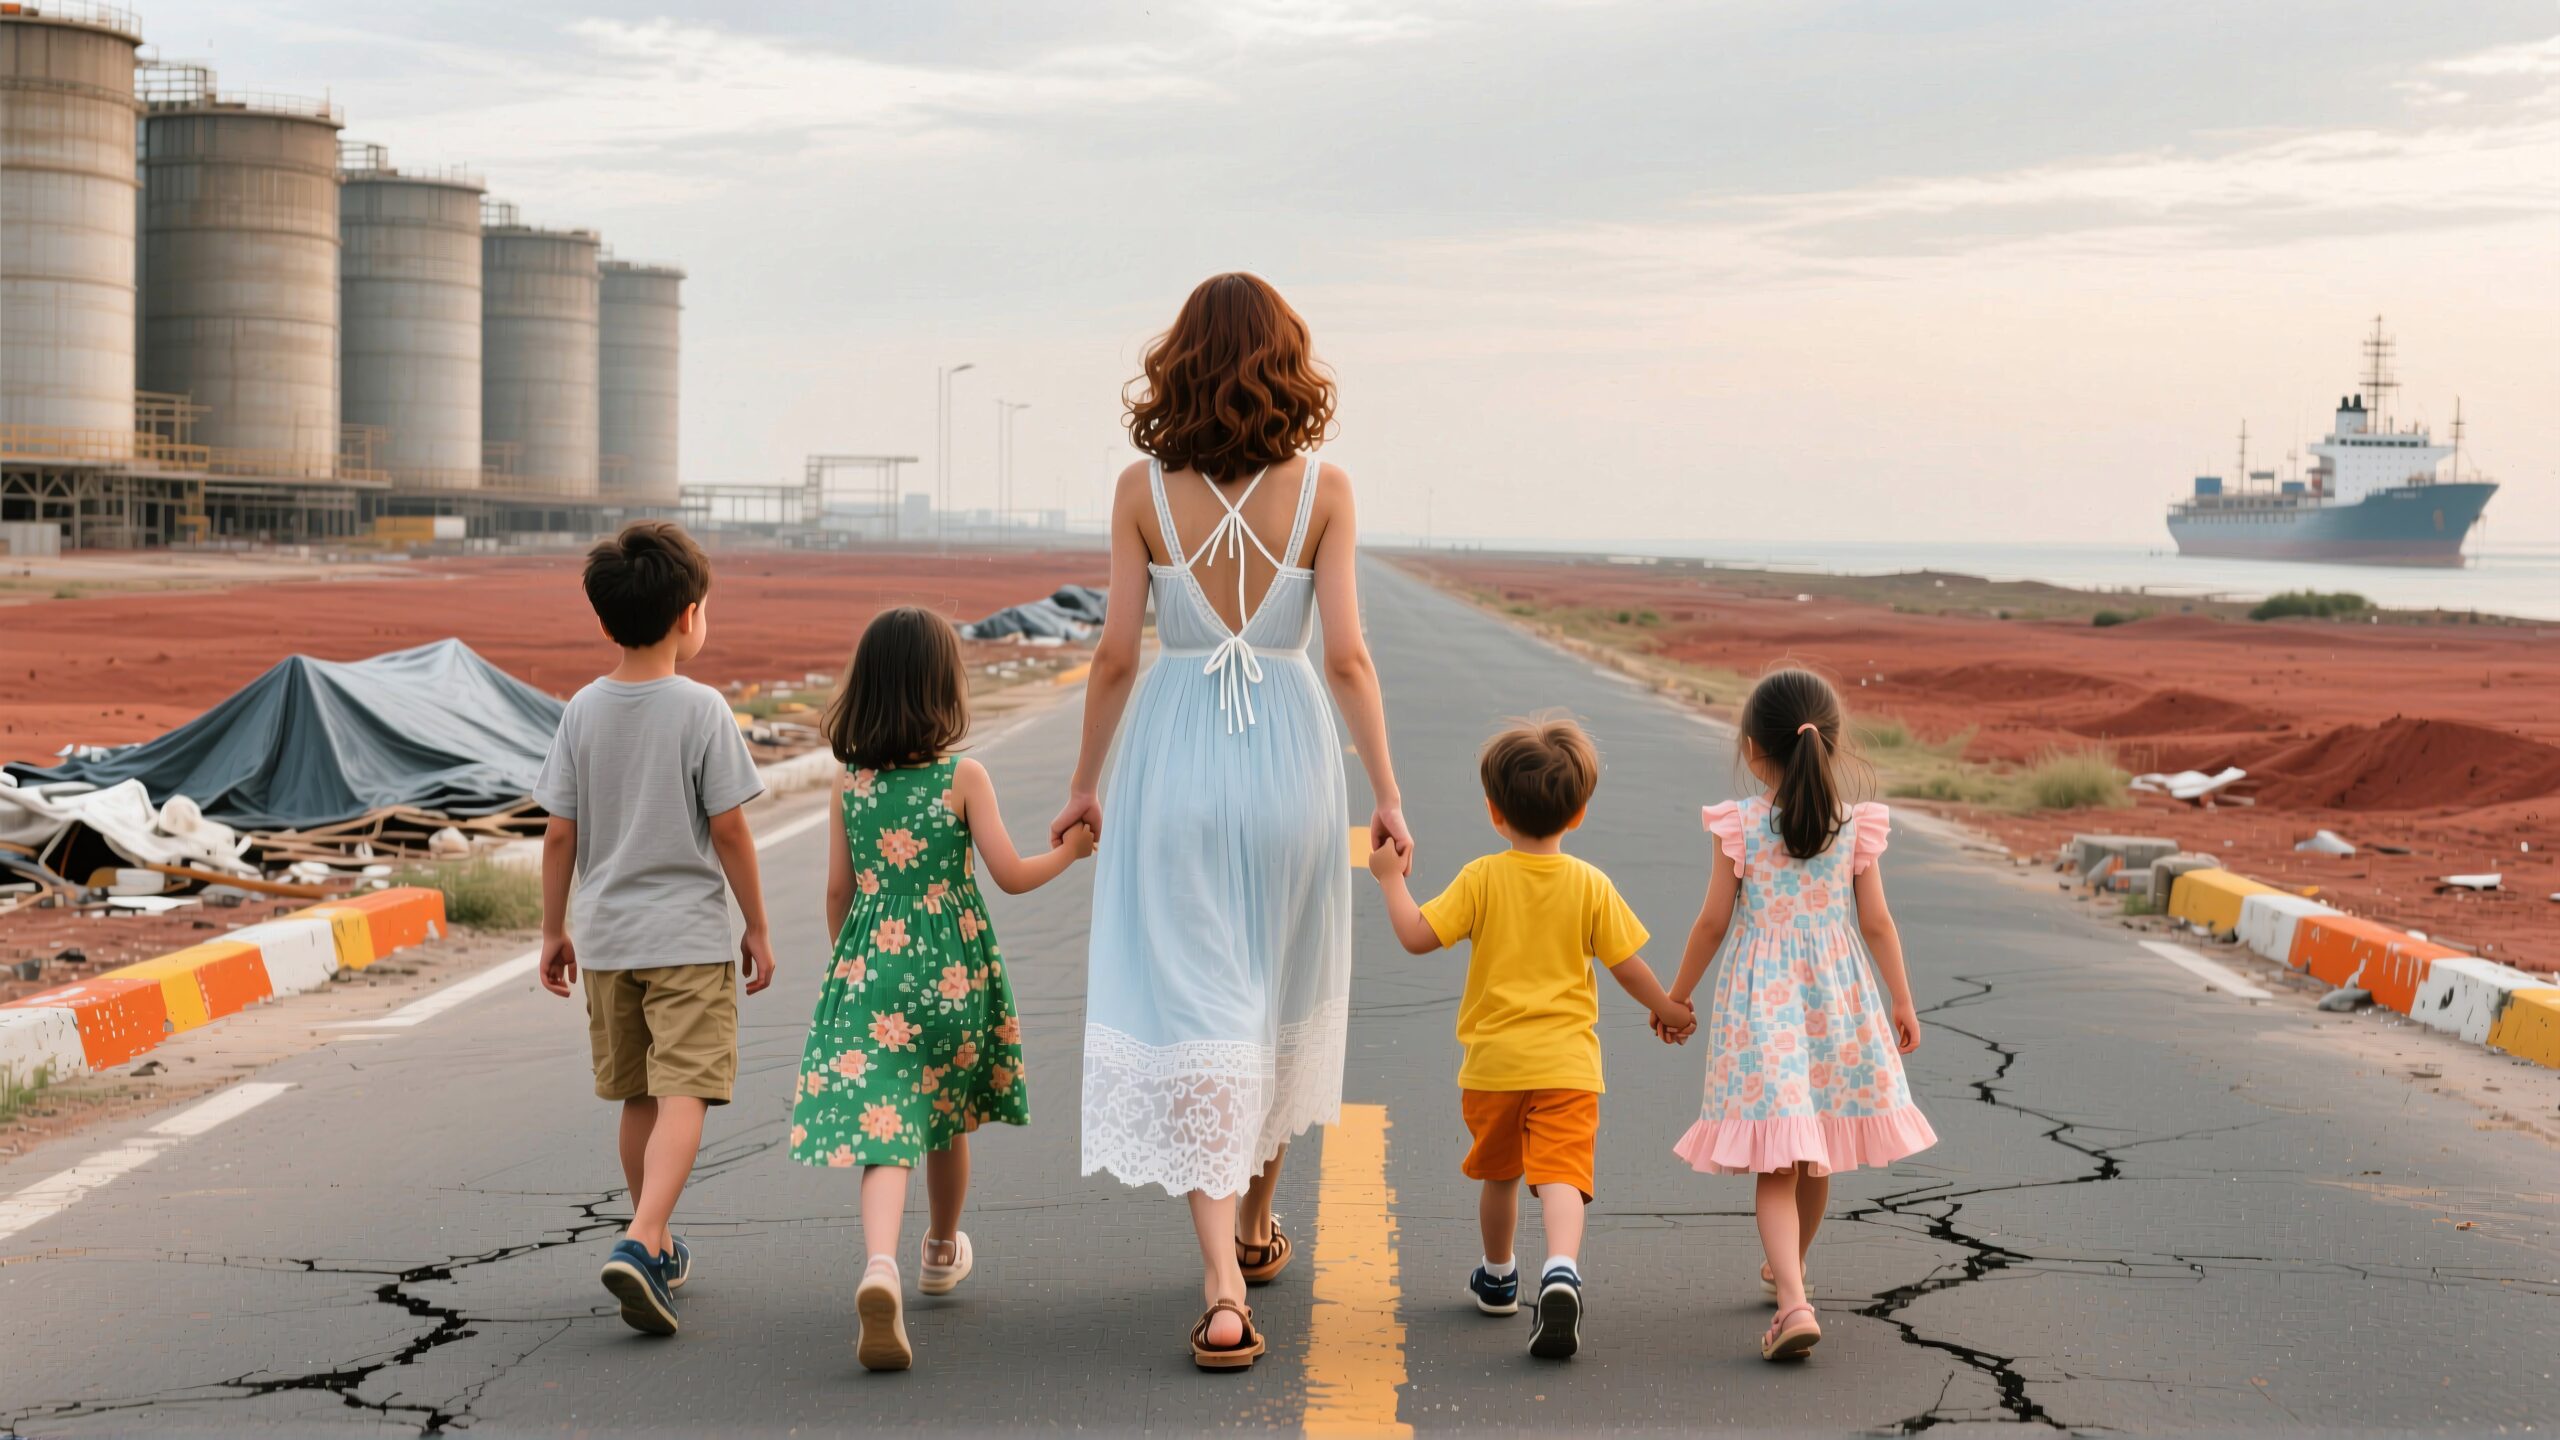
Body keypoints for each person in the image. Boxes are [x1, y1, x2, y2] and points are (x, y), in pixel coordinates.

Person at [1052, 272, 1411, 1370]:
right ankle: (1257, 1227)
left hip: (1172, 754)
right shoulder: (1326, 491)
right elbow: (1346, 655)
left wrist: (1084, 782)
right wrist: (1389, 793)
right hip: (1292, 758)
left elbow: (1115, 655)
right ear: (1285, 364)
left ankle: (1221, 1284)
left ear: (1180, 364)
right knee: (1279, 990)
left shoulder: (1139, 491)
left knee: (1200, 999)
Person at [789, 606, 1093, 1372]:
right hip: (951, 975)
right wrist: (1075, 851)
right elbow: (1014, 876)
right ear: (942, 689)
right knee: (947, 1116)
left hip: (873, 973)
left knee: (886, 1127)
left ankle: (880, 1264)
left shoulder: (849, 785)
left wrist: (851, 971)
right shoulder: (963, 776)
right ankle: (937, 1249)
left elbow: (836, 891)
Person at [1368, 715, 1694, 1361]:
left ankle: (1497, 1277)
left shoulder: (1482, 878)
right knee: (1563, 1178)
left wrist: (1389, 878)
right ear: (1578, 815)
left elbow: (1415, 936)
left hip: (1493, 1067)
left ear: (1494, 812)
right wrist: (1668, 1009)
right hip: (1569, 1065)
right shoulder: (1590, 885)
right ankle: (1561, 1270)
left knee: (1501, 1178)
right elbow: (1627, 965)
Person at [534, 520, 777, 1338]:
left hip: (606, 939)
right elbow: (733, 830)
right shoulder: (703, 709)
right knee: (690, 1091)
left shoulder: (581, 712)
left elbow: (560, 833)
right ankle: (641, 1238)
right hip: (687, 938)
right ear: (690, 616)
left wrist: (551, 930)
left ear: (605, 621)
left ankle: (660, 1241)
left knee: (636, 1096)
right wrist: (758, 926)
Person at [1664, 668, 1938, 1361]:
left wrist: (1678, 994)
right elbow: (1877, 923)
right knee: (1814, 1159)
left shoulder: (1743, 826)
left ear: (1754, 749)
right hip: (1837, 1004)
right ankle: (1791, 1271)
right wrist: (1901, 999)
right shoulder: (1855, 827)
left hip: (1763, 1009)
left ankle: (1791, 1300)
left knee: (1776, 1164)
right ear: (1832, 745)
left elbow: (1711, 923)